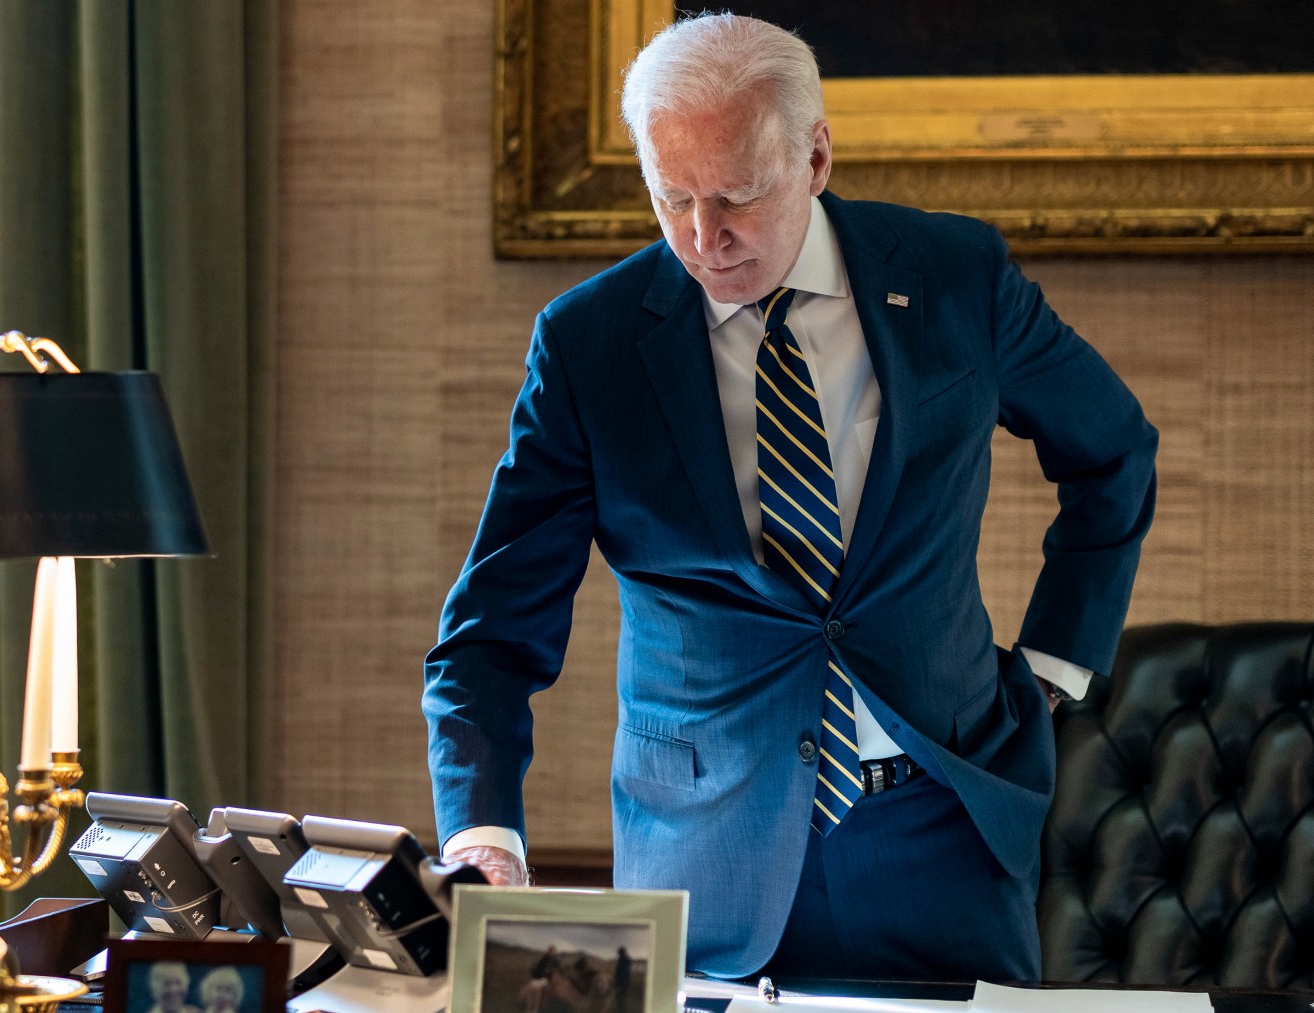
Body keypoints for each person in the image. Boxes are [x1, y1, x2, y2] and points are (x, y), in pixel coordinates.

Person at [422, 12, 1156, 982]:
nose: (702, 237)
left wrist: (1056, 670)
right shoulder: (589, 345)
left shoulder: (953, 280)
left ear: (815, 156)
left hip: (941, 834)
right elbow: (488, 633)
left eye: (736, 196)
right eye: (670, 196)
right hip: (702, 858)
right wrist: (485, 835)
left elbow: (1113, 454)